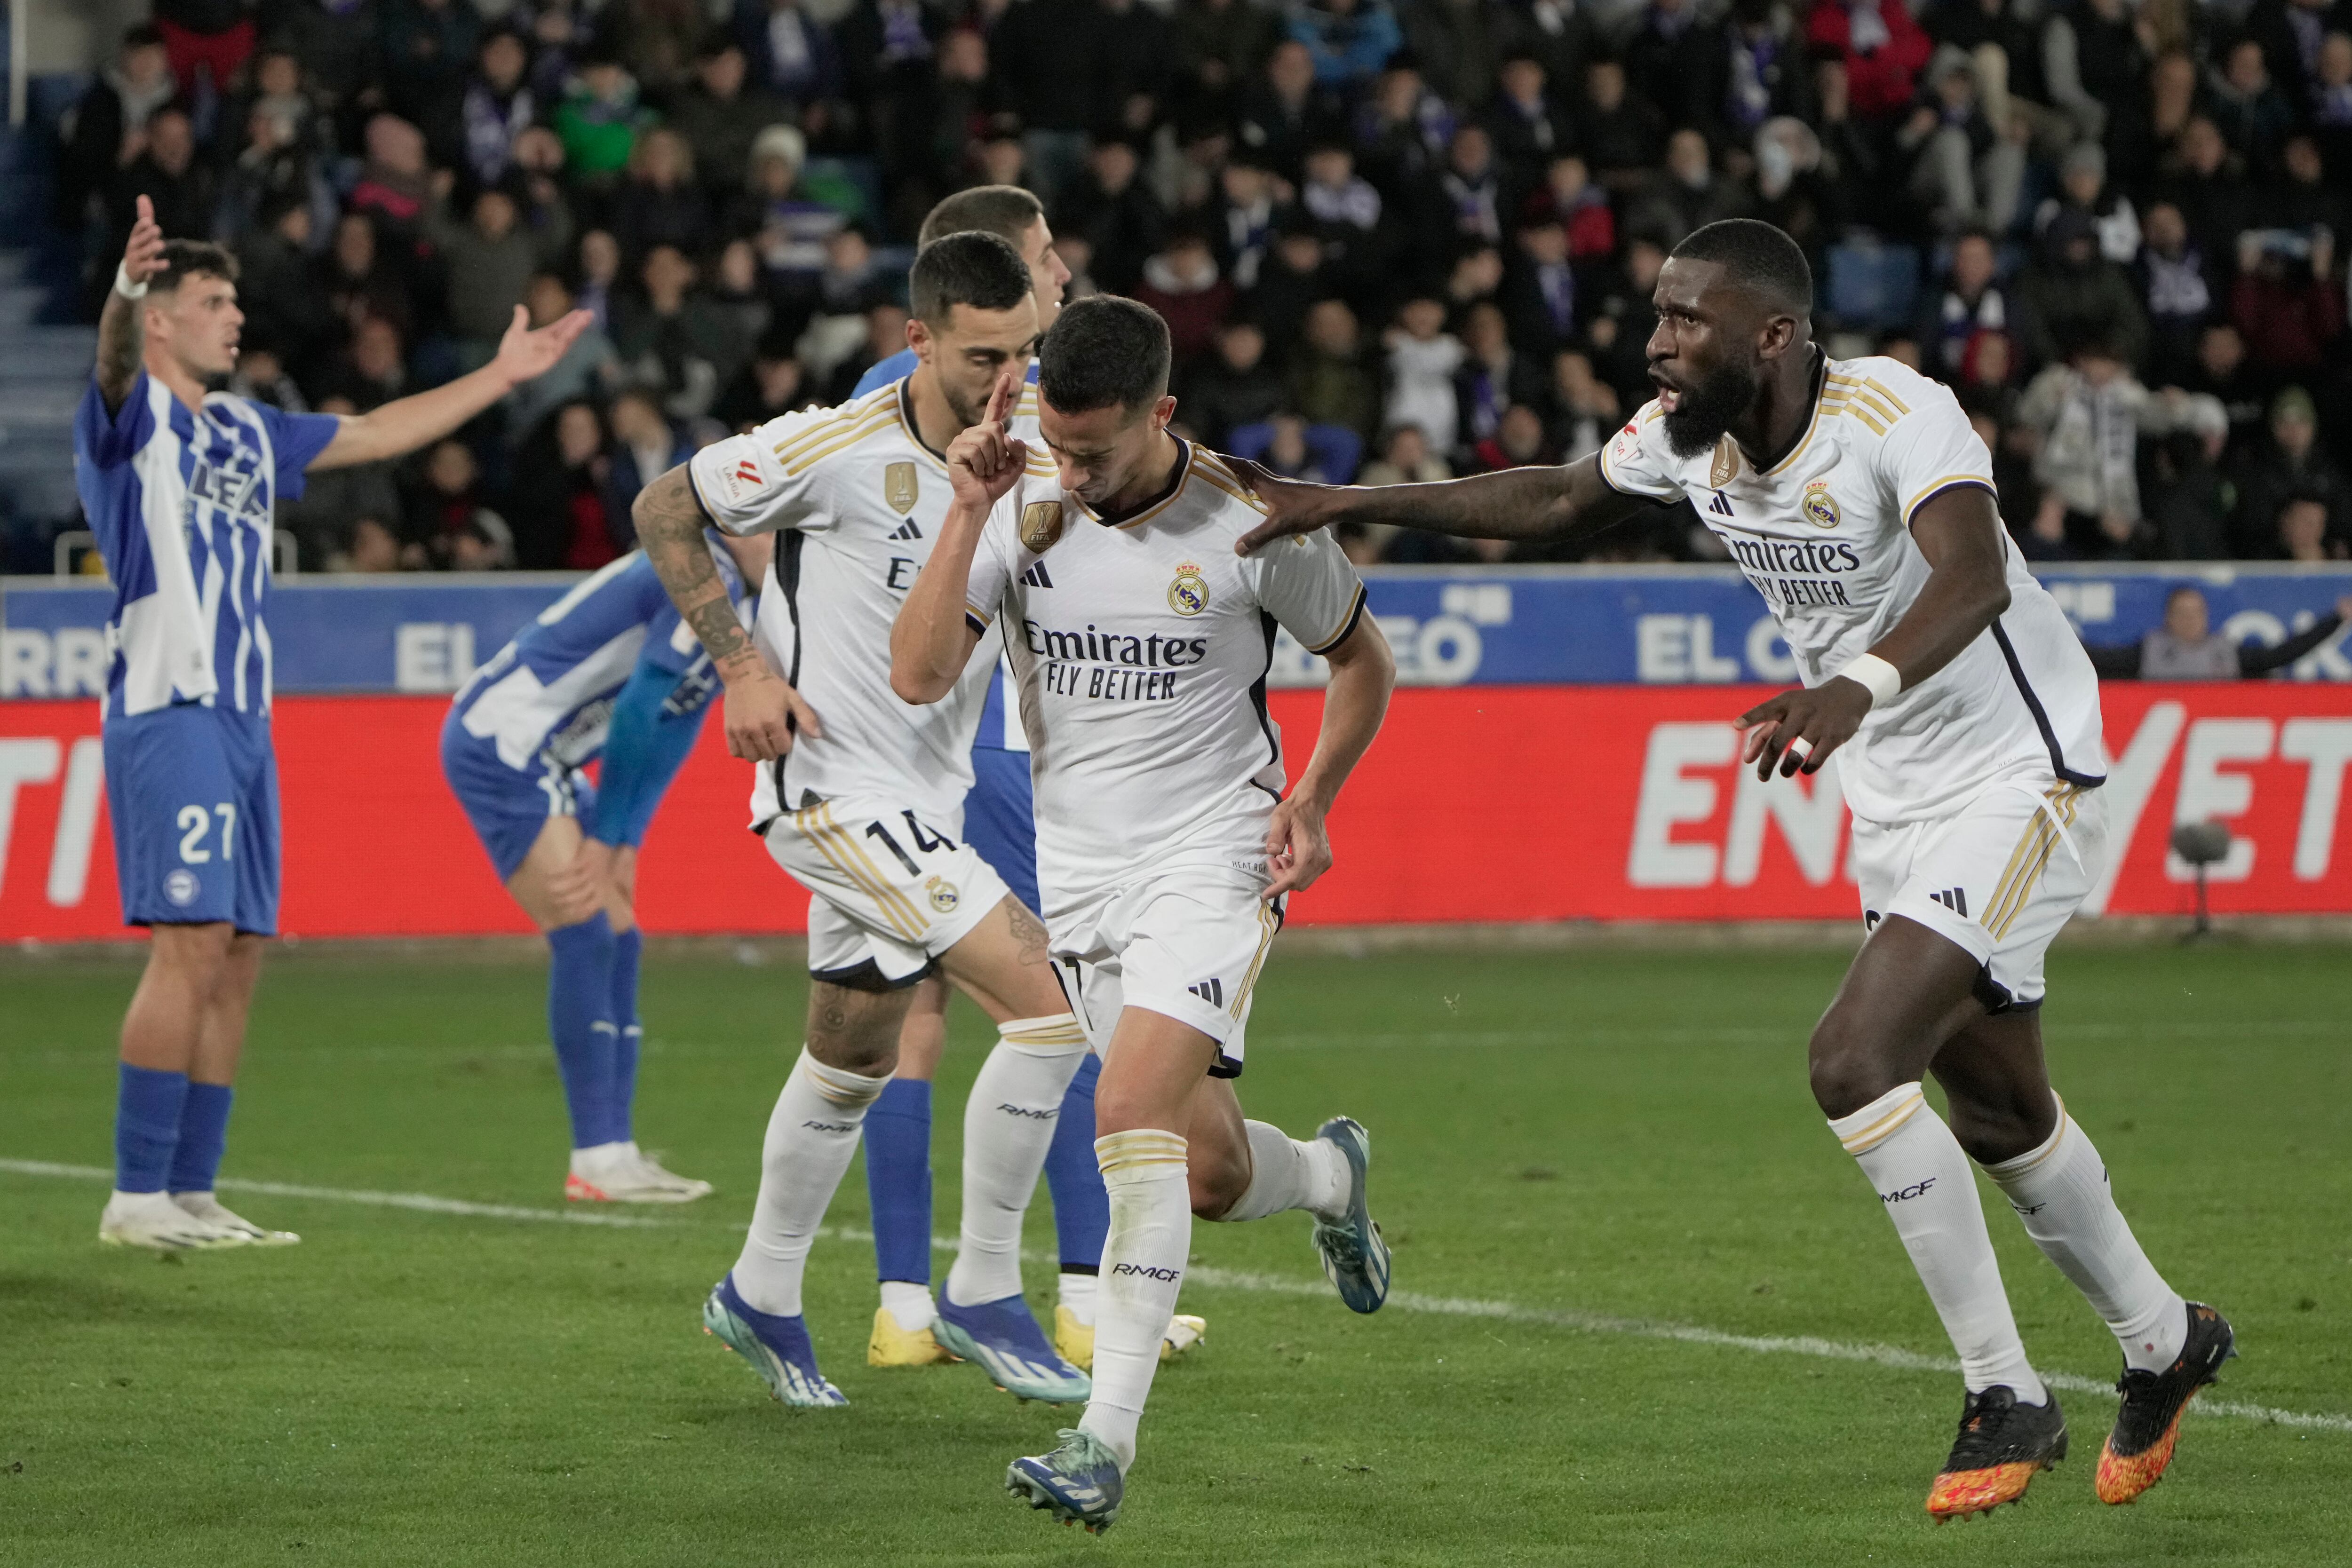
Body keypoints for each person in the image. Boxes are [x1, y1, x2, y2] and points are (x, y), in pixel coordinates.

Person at [1229, 218, 2233, 1521]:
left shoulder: (1894, 411)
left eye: (1685, 318)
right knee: (1997, 1109)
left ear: (1773, 333)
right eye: (1657, 313)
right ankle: (2167, 1339)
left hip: (2017, 775)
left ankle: (2005, 1391)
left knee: (1853, 1058)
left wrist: (1850, 687)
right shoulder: (1684, 441)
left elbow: (1976, 574)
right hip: (1895, 798)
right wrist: (1350, 501)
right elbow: (1556, 497)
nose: (1656, 340)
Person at [890, 296, 1397, 1533]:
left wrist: (1314, 798)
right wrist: (965, 506)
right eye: (1059, 442)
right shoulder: (1018, 504)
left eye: (1099, 451)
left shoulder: (1253, 517)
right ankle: (1333, 1175)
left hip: (1215, 855)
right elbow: (916, 675)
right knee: (1212, 1170)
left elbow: (1362, 658)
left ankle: (1101, 1438)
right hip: (1082, 879)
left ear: (1163, 415)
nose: (1074, 469)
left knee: (1122, 1112)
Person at [632, 232, 1096, 1408]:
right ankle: (987, 1287)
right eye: (984, 354)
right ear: (918, 339)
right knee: (1053, 1006)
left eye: (1026, 354)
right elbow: (663, 507)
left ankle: (759, 1291)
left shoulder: (1034, 453)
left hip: (925, 800)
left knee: (849, 1055)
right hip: (830, 793)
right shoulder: (834, 443)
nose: (1009, 379)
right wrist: (741, 666)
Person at [73, 198, 588, 1250]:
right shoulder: (131, 425)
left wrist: (500, 377)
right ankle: (134, 1195)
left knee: (242, 950)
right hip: (171, 708)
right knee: (189, 943)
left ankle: (191, 1187)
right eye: (214, 302)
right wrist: (126, 293)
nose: (236, 317)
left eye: (235, 300)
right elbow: (117, 365)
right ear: (164, 320)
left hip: (246, 724)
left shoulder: (245, 429)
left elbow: (377, 431)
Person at [847, 187, 1193, 1375]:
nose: (1060, 277)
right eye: (1046, 257)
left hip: (884, 763)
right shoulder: (1005, 411)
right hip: (989, 741)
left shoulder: (874, 404)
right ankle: (1085, 1293)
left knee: (916, 1025)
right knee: (1068, 1007)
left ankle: (901, 1304)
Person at [441, 545, 760, 1199]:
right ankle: (596, 1156)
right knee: (586, 928)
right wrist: (609, 833)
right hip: (506, 740)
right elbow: (644, 703)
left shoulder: (755, 591)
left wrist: (628, 838)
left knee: (620, 933)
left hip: (550, 753)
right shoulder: (706, 570)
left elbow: (680, 714)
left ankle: (615, 1150)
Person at [2082, 585, 2351, 678]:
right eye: (2182, 614)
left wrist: (2335, 620)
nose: (2190, 621)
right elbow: (2101, 660)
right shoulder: (2149, 652)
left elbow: (2279, 656)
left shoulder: (2225, 652)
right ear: (2169, 619)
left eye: (2196, 613)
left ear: (2206, 617)